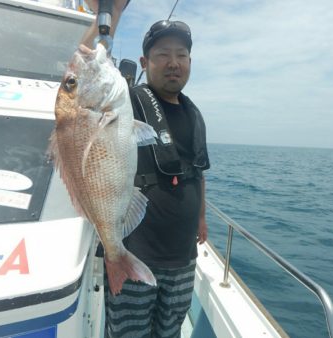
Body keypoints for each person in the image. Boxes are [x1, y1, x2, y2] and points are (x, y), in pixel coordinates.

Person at [82, 1, 210, 337]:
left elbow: (198, 171)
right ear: (144, 63)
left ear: (189, 62)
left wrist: (201, 218)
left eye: (181, 55)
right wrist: (108, 19)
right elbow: (80, 73)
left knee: (170, 332)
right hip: (135, 252)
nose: (173, 63)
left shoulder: (194, 114)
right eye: (162, 55)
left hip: (183, 259)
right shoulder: (127, 100)